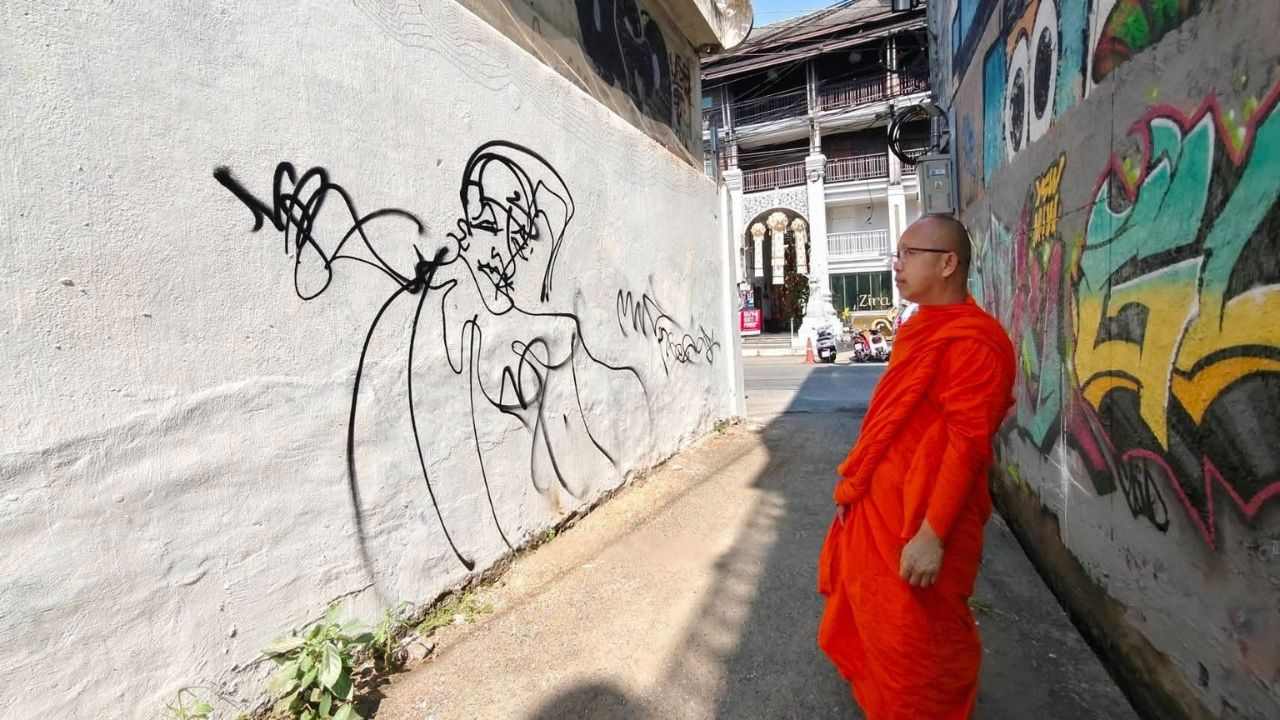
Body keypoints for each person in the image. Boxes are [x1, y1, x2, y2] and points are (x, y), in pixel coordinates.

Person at [817, 214, 1016, 719]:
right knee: (878, 628)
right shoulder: (922, 326)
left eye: (908, 254)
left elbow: (966, 443)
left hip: (922, 520)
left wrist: (933, 534)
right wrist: (857, 489)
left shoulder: (974, 341)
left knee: (920, 644)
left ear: (948, 263)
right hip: (882, 506)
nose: (896, 265)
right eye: (897, 253)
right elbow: (889, 423)